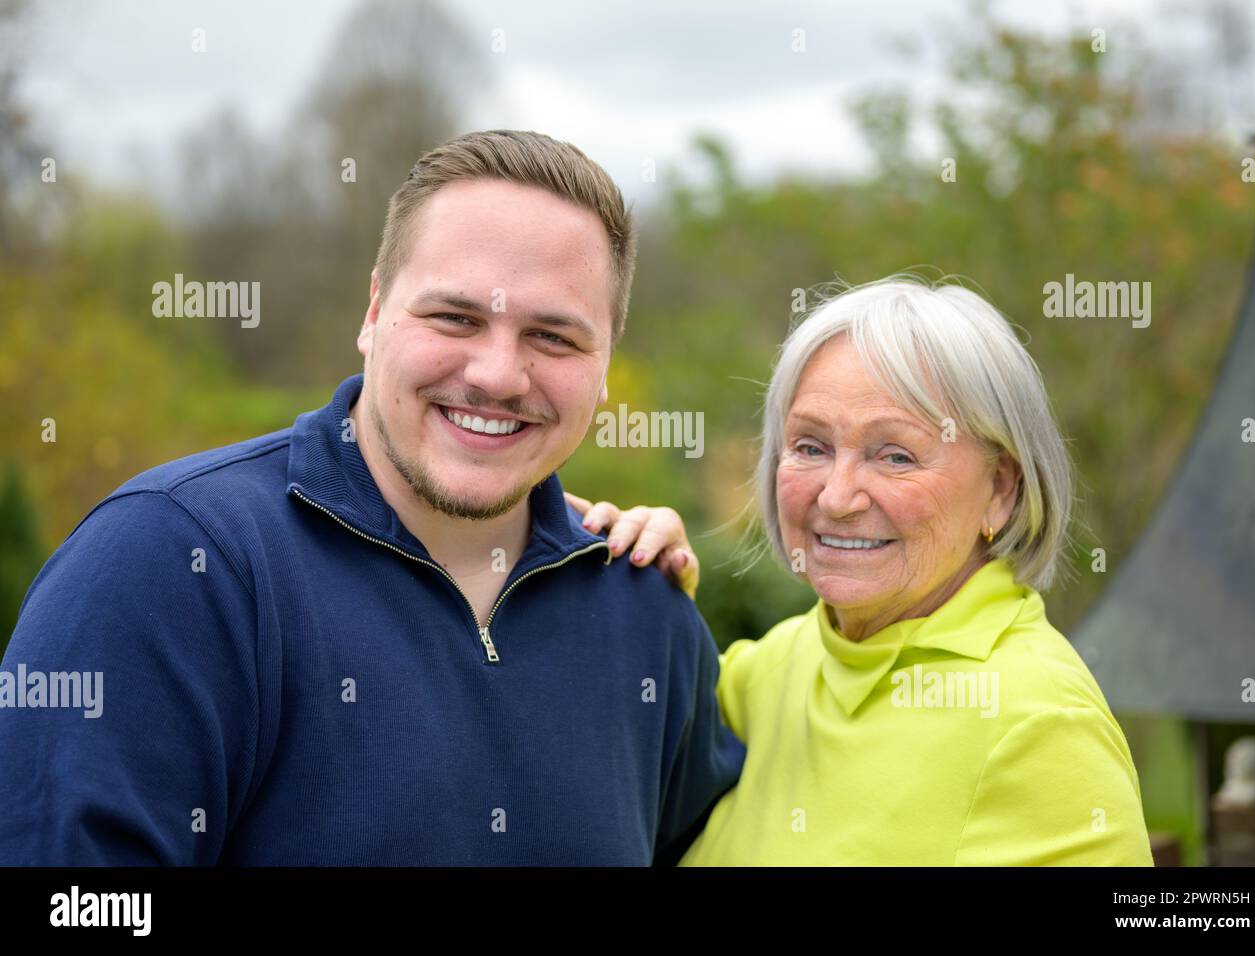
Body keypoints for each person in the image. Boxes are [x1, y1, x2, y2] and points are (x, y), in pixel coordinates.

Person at [0, 130, 743, 866]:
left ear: (607, 362)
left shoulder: (648, 617)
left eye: (553, 336)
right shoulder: (171, 563)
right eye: (455, 318)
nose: (497, 375)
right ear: (374, 313)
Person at [571, 276, 1155, 865]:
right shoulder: (778, 665)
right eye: (810, 446)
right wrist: (649, 584)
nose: (837, 496)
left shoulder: (1043, 725)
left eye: (895, 455)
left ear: (1000, 491)